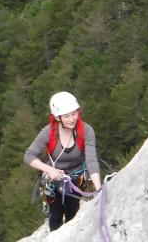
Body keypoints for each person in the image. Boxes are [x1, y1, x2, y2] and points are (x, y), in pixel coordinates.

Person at [24, 91, 101, 231]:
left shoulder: (86, 131)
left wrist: (98, 187)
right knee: (55, 215)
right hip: (53, 180)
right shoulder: (49, 132)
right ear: (57, 117)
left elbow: (91, 160)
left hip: (77, 178)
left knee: (73, 211)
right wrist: (49, 170)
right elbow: (29, 156)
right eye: (66, 116)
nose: (72, 119)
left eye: (74, 113)